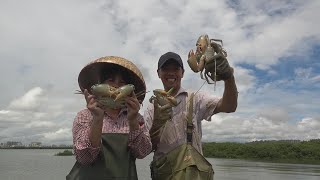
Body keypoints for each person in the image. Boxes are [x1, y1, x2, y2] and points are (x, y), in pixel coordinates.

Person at [144, 52, 238, 180]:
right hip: (164, 173)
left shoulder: (196, 98)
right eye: (166, 69)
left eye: (176, 69)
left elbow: (229, 106)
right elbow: (146, 149)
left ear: (182, 73)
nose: (171, 73)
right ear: (158, 73)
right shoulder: (151, 107)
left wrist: (229, 77)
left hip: (194, 173)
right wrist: (157, 124)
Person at [67, 56, 152, 180]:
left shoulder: (136, 117)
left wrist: (132, 120)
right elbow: (84, 158)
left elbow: (142, 152)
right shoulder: (85, 115)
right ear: (100, 85)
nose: (116, 85)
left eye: (122, 82)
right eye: (111, 80)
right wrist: (97, 119)